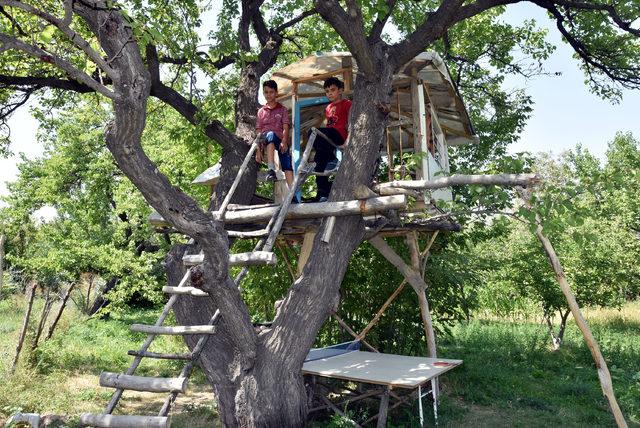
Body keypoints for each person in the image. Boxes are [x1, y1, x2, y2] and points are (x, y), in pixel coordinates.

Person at [310, 77, 352, 202]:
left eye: (332, 90)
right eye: (327, 91)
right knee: (318, 160)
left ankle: (332, 159)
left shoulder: (347, 103)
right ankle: (322, 193)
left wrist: (347, 141)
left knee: (323, 132)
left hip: (338, 135)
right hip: (329, 137)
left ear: (340, 90)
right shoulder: (328, 108)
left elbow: (352, 123)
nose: (330, 93)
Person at [255, 80, 293, 188]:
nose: (269, 95)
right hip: (266, 138)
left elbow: (286, 126)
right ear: (263, 93)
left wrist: (284, 142)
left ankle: (293, 194)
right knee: (270, 135)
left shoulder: (282, 109)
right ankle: (271, 170)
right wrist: (258, 150)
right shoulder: (261, 111)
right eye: (266, 92)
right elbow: (258, 131)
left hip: (280, 139)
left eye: (271, 92)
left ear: (276, 93)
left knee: (287, 165)